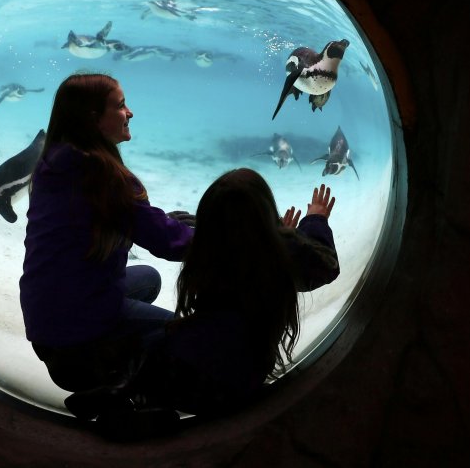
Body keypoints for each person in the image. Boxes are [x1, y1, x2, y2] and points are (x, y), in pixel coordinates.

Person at [69, 168, 340, 430]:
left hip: (179, 377)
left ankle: (127, 395)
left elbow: (216, 235)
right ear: (267, 210)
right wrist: (312, 222)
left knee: (153, 345)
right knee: (203, 353)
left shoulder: (207, 246)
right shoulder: (281, 254)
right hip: (239, 387)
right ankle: (148, 411)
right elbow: (326, 265)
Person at [20, 71, 195, 396]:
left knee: (149, 278)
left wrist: (151, 221)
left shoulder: (54, 162)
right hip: (75, 338)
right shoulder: (103, 178)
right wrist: (227, 235)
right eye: (120, 105)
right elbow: (171, 243)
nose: (130, 113)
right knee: (193, 335)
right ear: (93, 118)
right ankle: (117, 387)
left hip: (43, 324)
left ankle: (105, 355)